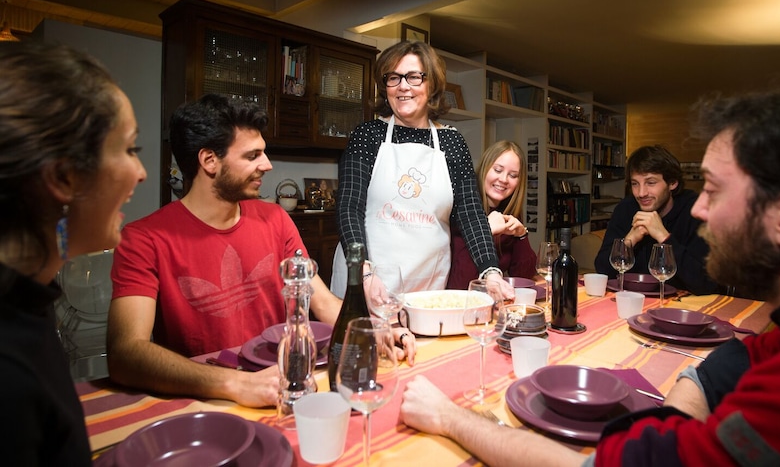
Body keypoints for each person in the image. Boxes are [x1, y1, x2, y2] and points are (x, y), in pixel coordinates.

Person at [400, 76, 780, 466]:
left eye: (713, 189)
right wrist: (674, 417)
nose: (702, 209)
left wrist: (449, 417)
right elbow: (738, 358)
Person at [107, 94, 415, 409]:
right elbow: (126, 354)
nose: (266, 165)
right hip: (202, 401)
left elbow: (322, 302)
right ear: (209, 161)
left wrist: (374, 330)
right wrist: (235, 384)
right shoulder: (144, 239)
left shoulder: (275, 219)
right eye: (253, 156)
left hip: (280, 384)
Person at [0, 41, 147, 465]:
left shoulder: (28, 299)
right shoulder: (7, 374)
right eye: (129, 149)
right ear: (64, 177)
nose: (140, 173)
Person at [331, 40, 512, 299]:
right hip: (367, 279)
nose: (403, 86)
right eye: (394, 78)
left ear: (432, 85)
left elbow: (471, 213)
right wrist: (364, 272)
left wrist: (491, 272)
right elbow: (349, 207)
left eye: (414, 77)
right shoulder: (368, 135)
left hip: (426, 285)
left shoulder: (452, 142)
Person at [594, 144, 721, 295]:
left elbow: (706, 284)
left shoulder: (696, 211)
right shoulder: (626, 208)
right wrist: (629, 241)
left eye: (651, 182)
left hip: (683, 306)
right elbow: (602, 271)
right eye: (635, 184)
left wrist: (663, 237)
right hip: (632, 301)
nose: (641, 193)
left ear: (672, 183)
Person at [447, 140, 536, 289]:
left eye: (513, 175)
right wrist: (485, 231)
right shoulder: (462, 211)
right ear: (484, 168)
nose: (503, 179)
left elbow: (524, 277)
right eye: (498, 170)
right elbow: (460, 283)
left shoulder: (508, 214)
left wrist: (521, 236)